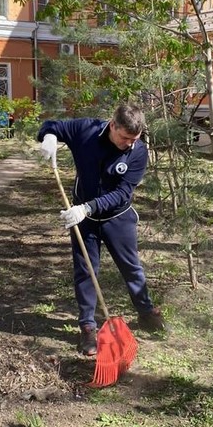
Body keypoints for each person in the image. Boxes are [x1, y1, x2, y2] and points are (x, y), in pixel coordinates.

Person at [38, 103, 165, 356]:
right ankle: (87, 327)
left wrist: (87, 208)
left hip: (117, 217)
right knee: (86, 271)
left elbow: (122, 193)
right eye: (125, 137)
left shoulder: (138, 152)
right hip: (83, 220)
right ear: (112, 125)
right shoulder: (86, 130)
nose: (129, 144)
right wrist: (48, 136)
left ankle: (146, 312)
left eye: (134, 139)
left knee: (131, 267)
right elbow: (52, 125)